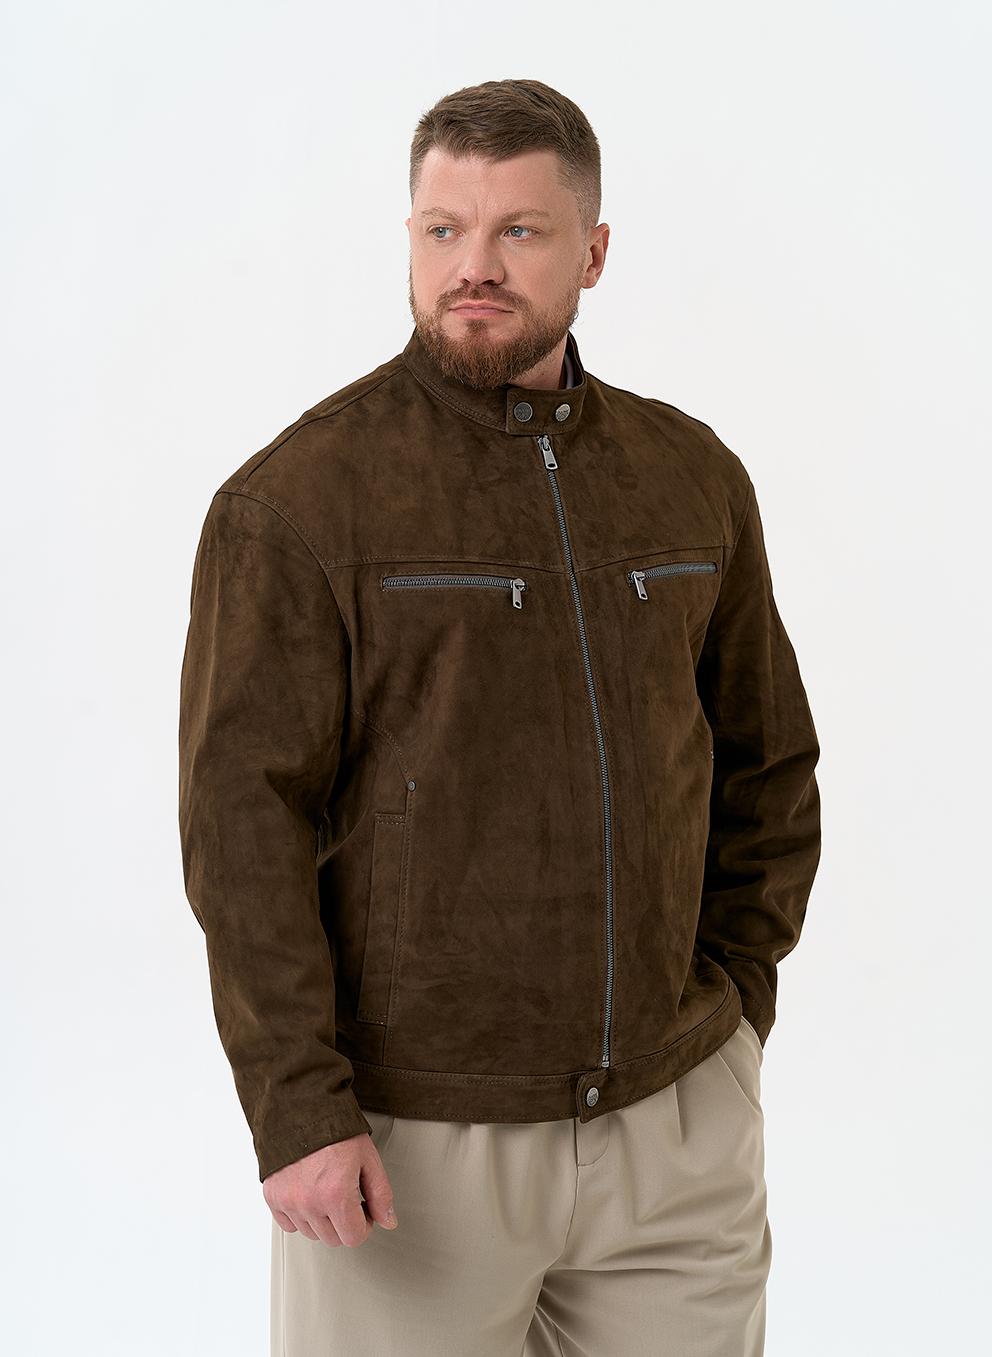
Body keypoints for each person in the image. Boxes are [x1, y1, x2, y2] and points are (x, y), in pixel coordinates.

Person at [179, 79, 820, 1357]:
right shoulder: (297, 501)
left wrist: (732, 1013)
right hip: (409, 1145)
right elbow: (241, 830)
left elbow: (766, 762)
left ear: (592, 250)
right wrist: (298, 1108)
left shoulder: (690, 476)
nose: (471, 265)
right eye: (442, 230)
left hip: (672, 1126)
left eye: (518, 230)